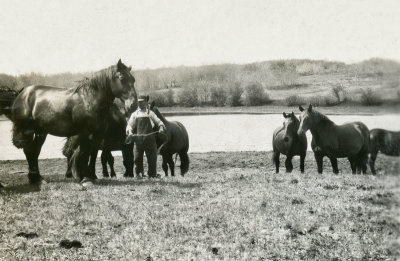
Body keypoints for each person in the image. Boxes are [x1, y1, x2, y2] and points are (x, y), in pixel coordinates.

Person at [126, 95, 166, 178]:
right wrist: (130, 132)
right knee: (137, 159)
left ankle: (152, 175)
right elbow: (129, 125)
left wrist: (161, 128)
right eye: (139, 102)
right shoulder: (134, 114)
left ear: (146, 102)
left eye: (141, 102)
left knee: (152, 160)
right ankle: (139, 175)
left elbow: (159, 122)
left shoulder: (150, 113)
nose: (139, 104)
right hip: (138, 141)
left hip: (150, 141)